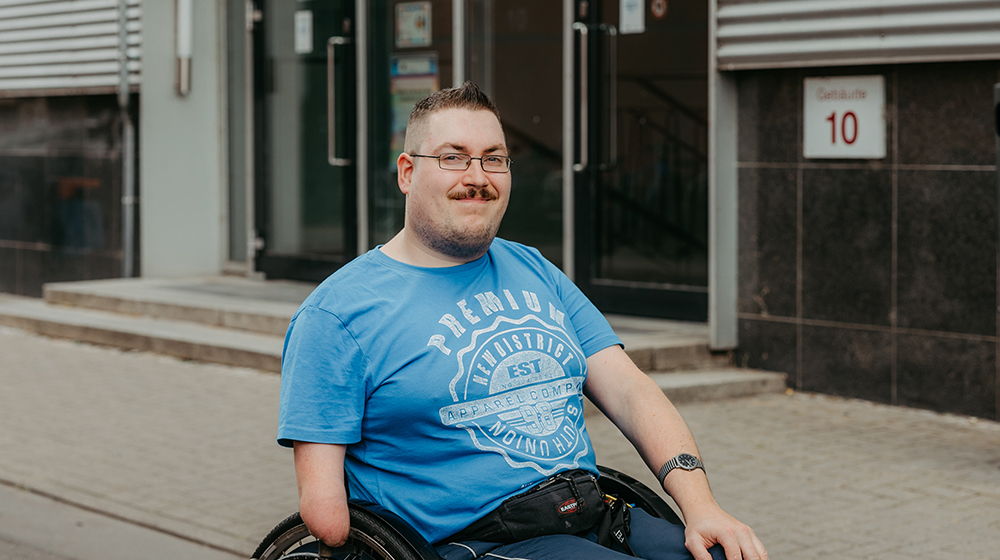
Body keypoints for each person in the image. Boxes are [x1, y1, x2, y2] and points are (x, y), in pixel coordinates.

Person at [277, 82, 767, 560]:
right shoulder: (338, 314)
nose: (477, 176)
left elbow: (630, 391)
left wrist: (702, 507)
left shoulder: (534, 269)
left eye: (494, 158)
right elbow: (327, 518)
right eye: (453, 157)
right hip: (477, 543)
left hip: (591, 515)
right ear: (407, 172)